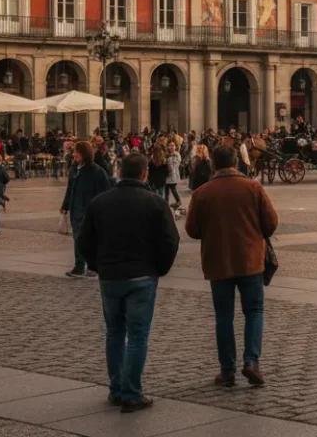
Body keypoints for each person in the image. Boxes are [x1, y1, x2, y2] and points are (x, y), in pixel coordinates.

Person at [76, 152, 180, 412]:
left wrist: (100, 266)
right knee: (137, 335)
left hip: (110, 277)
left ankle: (116, 388)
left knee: (114, 332)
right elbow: (171, 241)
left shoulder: (99, 203)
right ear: (145, 174)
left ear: (120, 172)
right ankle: (132, 392)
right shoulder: (156, 203)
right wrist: (159, 268)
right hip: (143, 276)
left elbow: (84, 243)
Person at [184, 144, 279, 388]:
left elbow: (192, 231)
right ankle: (251, 362)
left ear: (213, 164)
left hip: (218, 263)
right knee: (254, 312)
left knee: (224, 317)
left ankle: (227, 371)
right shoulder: (253, 188)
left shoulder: (202, 193)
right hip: (250, 261)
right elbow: (271, 223)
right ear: (236, 163)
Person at [62, 140, 112, 278]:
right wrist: (65, 205)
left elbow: (105, 191)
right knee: (77, 238)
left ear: (84, 154)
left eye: (76, 154)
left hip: (89, 211)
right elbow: (70, 189)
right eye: (74, 154)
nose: (74, 156)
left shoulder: (96, 171)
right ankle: (79, 266)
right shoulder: (74, 169)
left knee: (89, 239)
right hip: (75, 209)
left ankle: (91, 267)